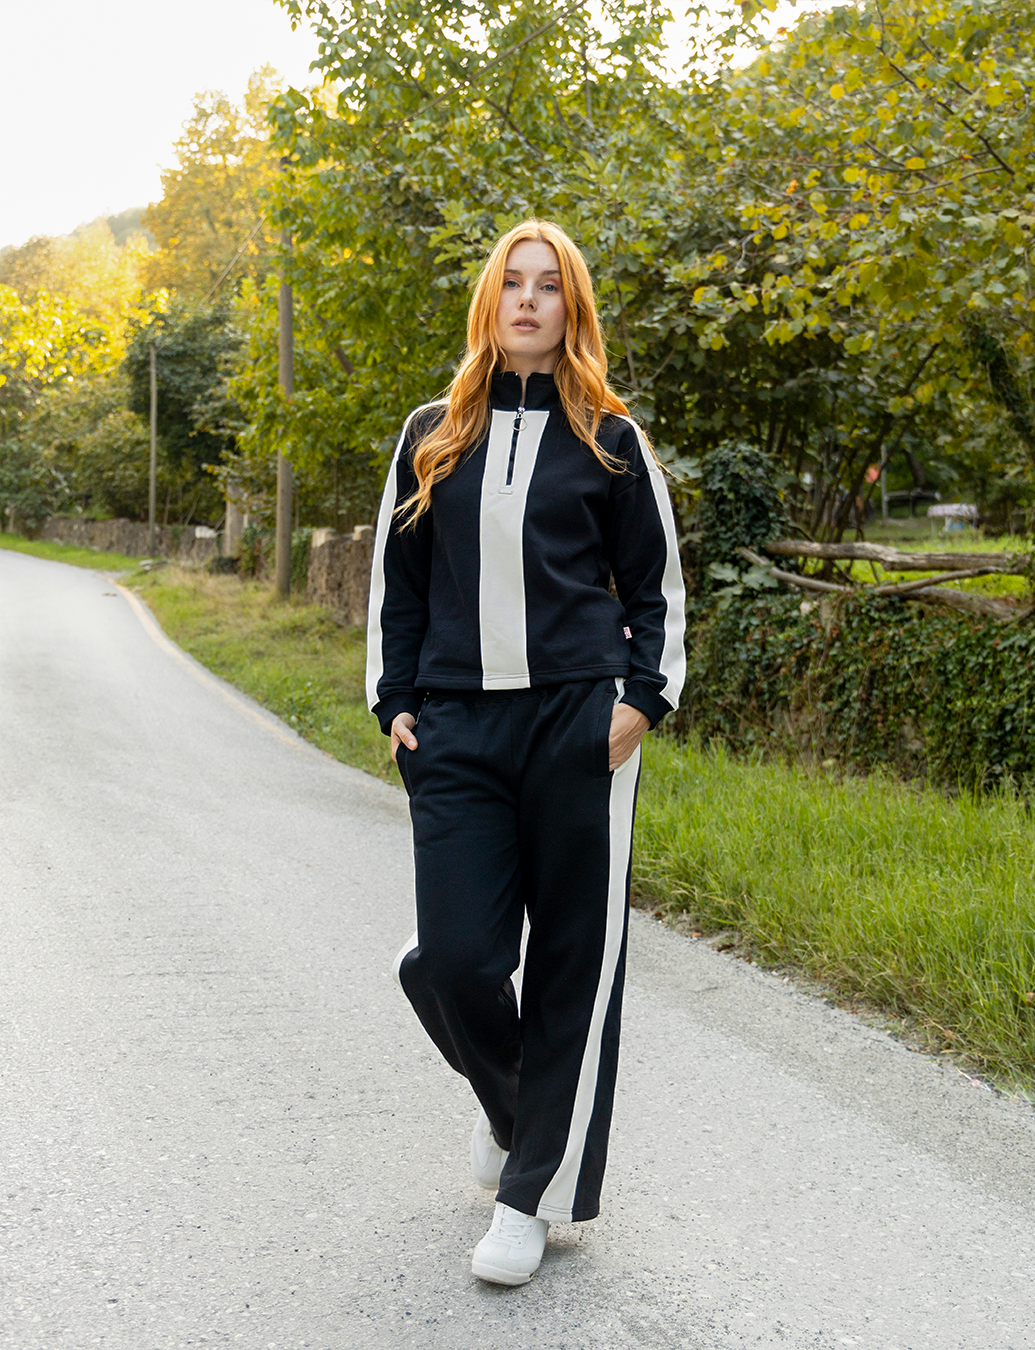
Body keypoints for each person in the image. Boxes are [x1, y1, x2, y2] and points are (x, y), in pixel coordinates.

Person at [366, 219, 685, 1286]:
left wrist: (641, 703)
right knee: (452, 962)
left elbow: (656, 587)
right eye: (514, 283)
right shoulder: (431, 433)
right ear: (490, 302)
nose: (530, 300)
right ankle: (515, 1112)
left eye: (550, 286)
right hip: (455, 728)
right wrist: (394, 704)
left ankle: (528, 1197)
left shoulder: (610, 438)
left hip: (579, 726)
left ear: (572, 308)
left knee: (567, 968)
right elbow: (398, 586)